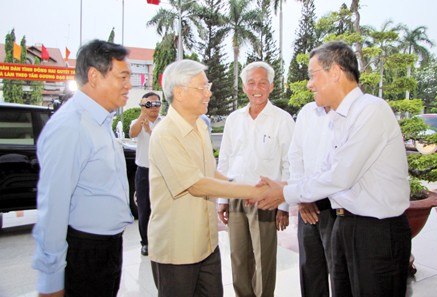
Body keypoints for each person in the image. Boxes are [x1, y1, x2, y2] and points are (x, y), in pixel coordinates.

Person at [253, 41, 412, 297]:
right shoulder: (336, 118)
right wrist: (284, 187)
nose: (309, 84)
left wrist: (283, 193)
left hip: (376, 232)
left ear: (335, 72)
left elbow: (340, 175)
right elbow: (324, 172)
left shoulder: (370, 111)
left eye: (312, 75)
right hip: (345, 223)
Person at [147, 59, 267, 297]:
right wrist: (254, 192)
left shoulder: (200, 126)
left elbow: (209, 171)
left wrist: (243, 187)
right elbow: (197, 185)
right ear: (179, 93)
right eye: (202, 88)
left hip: (207, 244)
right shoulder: (165, 134)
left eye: (207, 86)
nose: (209, 93)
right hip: (178, 249)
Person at [32, 39, 134, 297]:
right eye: (122, 77)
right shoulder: (71, 127)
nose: (129, 85)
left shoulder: (99, 121)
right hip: (85, 252)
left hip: (107, 249)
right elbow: (53, 210)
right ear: (94, 76)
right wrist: (51, 283)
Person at [217, 61, 295, 297]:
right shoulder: (234, 119)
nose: (257, 88)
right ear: (243, 87)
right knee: (238, 258)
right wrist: (222, 199)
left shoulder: (282, 119)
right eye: (251, 82)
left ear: (271, 87)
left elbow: (288, 164)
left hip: (266, 199)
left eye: (262, 82)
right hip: (237, 196)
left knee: (264, 261)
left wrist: (283, 205)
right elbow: (225, 160)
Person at [288, 102, 336, 297]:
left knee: (340, 271)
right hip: (306, 204)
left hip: (337, 205)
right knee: (310, 267)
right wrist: (302, 197)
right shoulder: (307, 111)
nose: (311, 84)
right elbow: (295, 154)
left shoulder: (351, 113)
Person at [129, 91, 163, 256]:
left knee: (162, 208)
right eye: (150, 104)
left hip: (162, 171)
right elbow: (132, 134)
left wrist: (150, 130)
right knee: (144, 208)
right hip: (144, 171)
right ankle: (146, 242)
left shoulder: (165, 123)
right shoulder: (138, 122)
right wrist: (142, 115)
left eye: (157, 104)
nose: (154, 108)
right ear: (143, 105)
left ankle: (161, 240)